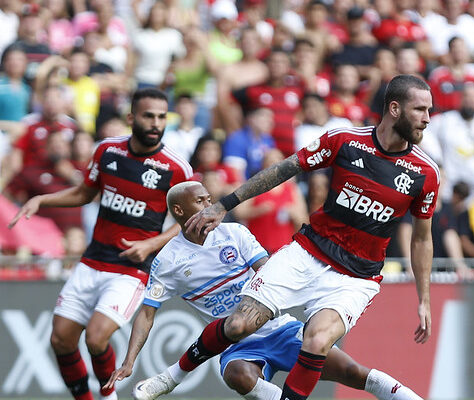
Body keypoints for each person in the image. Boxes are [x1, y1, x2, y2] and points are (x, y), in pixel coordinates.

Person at [132, 74, 439, 400]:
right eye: (420, 109)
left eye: (429, 110)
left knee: (318, 341)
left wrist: (423, 298)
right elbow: (283, 170)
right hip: (306, 254)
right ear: (394, 108)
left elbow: (421, 239)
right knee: (237, 326)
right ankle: (171, 376)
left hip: (356, 277)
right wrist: (224, 205)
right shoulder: (346, 141)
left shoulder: (425, 173)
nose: (427, 118)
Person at [106, 181, 423, 400]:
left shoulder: (235, 234)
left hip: (278, 327)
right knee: (238, 375)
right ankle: (172, 377)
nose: (209, 205)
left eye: (209, 199)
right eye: (200, 201)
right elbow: (147, 313)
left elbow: (268, 273)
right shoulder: (168, 261)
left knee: (354, 372)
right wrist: (130, 361)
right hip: (235, 345)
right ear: (179, 211)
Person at [8, 88, 193, 400]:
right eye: (149, 116)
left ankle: (108, 397)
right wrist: (42, 198)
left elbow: (191, 220)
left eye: (162, 117)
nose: (156, 123)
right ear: (132, 117)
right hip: (91, 261)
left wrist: (152, 245)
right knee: (61, 341)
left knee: (96, 339)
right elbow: (85, 193)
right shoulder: (107, 151)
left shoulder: (176, 168)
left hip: (130, 270)